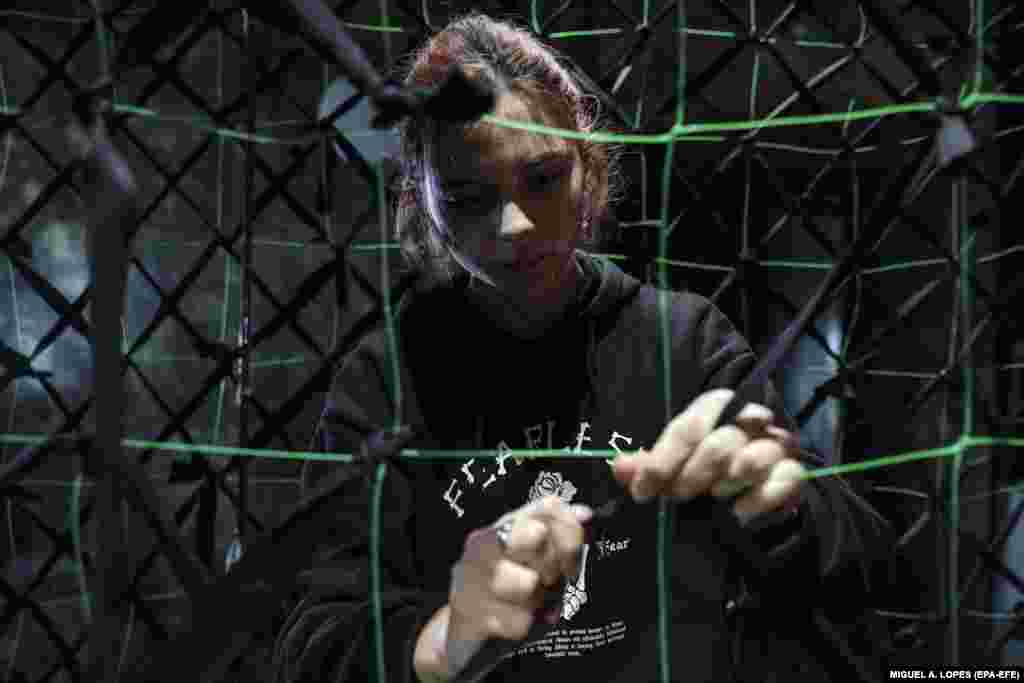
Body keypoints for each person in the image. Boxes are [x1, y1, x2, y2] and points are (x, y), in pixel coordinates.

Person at [272, 11, 892, 683]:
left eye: (542, 178)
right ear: (425, 202)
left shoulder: (684, 342)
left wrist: (780, 503)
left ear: (589, 172)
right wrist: (439, 639)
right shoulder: (386, 377)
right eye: (470, 196)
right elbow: (309, 636)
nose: (513, 226)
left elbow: (870, 563)